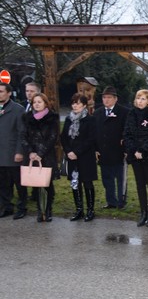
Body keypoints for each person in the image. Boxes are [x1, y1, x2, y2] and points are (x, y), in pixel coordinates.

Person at [123, 89, 148, 227]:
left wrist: (143, 150)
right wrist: (134, 150)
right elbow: (127, 134)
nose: (140, 101)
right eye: (138, 98)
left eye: (143, 99)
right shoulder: (132, 113)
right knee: (140, 184)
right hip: (135, 155)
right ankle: (143, 212)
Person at [20, 92, 60, 222]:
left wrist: (40, 153)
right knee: (36, 184)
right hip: (32, 156)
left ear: (45, 103)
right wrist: (31, 152)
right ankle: (39, 210)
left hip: (46, 156)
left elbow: (53, 137)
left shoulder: (52, 118)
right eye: (34, 102)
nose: (36, 104)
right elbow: (23, 136)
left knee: (47, 184)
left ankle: (47, 210)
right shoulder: (27, 118)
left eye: (39, 102)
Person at [60, 93, 98, 222]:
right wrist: (68, 151)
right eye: (73, 103)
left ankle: (90, 210)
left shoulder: (90, 119)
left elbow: (91, 139)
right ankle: (79, 209)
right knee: (75, 183)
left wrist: (77, 152)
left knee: (87, 182)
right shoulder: (68, 119)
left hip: (85, 156)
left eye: (78, 103)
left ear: (84, 105)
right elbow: (63, 137)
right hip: (71, 157)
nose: (74, 106)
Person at [94, 86, 128, 209]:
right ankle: (111, 201)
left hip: (118, 150)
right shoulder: (98, 112)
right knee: (106, 178)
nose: (106, 100)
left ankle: (121, 201)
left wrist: (125, 148)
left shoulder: (124, 112)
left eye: (109, 97)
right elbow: (94, 132)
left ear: (115, 99)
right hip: (103, 151)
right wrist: (96, 149)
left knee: (120, 178)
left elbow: (127, 131)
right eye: (104, 97)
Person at [0, 83, 27, 220]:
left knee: (19, 183)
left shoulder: (18, 109)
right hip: (1, 153)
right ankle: (6, 207)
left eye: (1, 91)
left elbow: (22, 132)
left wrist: (19, 151)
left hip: (13, 153)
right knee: (3, 183)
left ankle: (22, 208)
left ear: (9, 93)